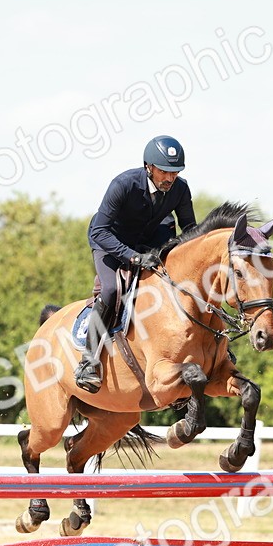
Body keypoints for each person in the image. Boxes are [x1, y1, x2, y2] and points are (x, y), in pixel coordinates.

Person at [74, 135, 197, 393]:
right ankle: (88, 361)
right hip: (110, 241)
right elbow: (99, 231)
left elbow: (191, 231)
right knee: (110, 290)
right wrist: (132, 257)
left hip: (149, 240)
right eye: (164, 171)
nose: (169, 178)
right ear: (148, 167)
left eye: (174, 172)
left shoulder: (180, 189)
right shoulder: (124, 184)